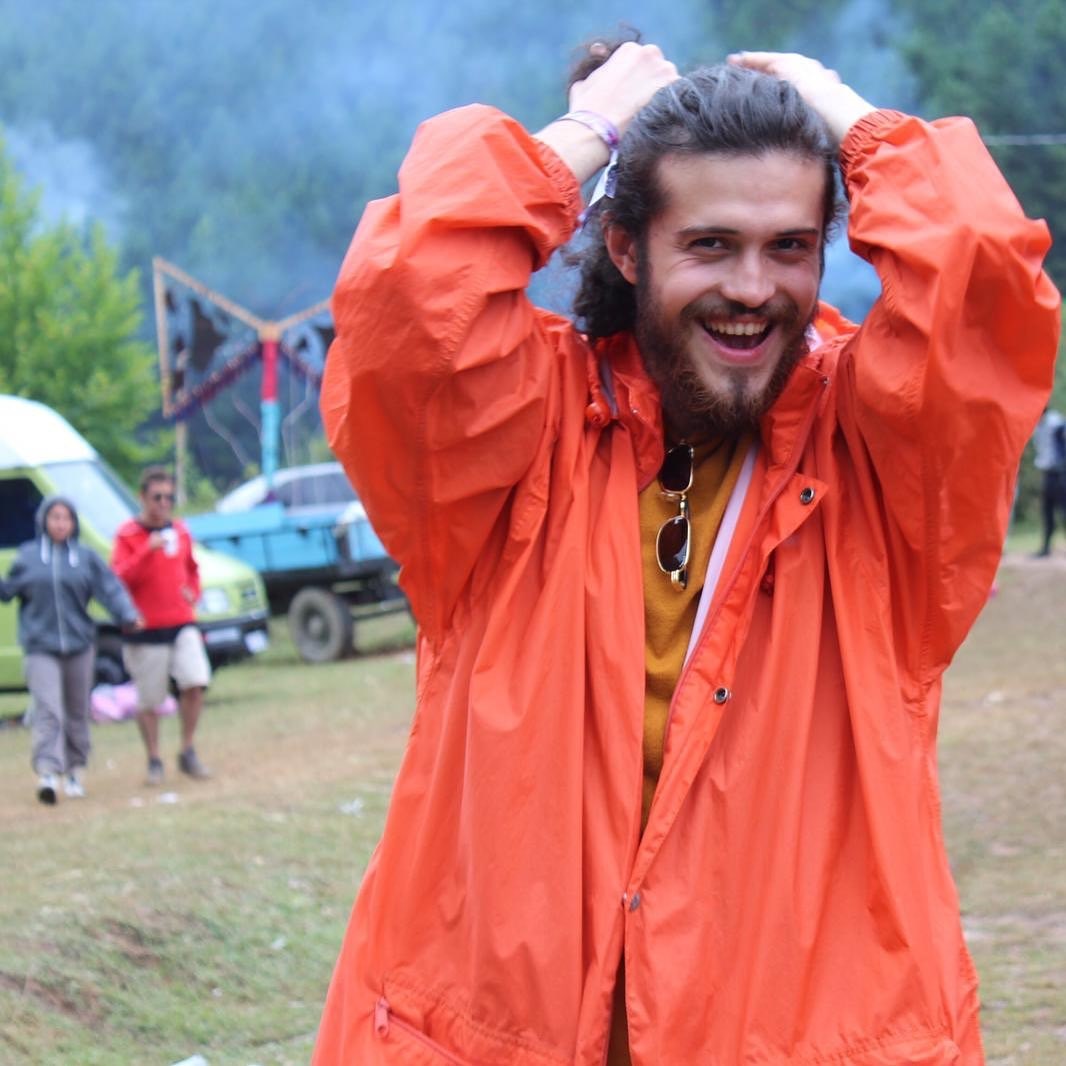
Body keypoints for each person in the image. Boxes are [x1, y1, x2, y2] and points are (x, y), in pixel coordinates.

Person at [313, 41, 1060, 1065]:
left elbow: (978, 268)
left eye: (789, 246)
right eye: (710, 244)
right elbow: (409, 290)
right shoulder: (512, 447)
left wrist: (839, 110)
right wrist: (588, 132)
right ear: (627, 248)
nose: (753, 288)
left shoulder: (887, 470)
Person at [0, 496, 140, 804]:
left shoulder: (85, 558)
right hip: (40, 647)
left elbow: (110, 589)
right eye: (55, 518)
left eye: (66, 518)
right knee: (48, 709)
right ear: (44, 521)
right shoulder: (28, 557)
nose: (60, 524)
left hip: (79, 645)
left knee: (77, 710)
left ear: (74, 523)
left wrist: (127, 615)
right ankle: (48, 773)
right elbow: (7, 591)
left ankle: (75, 771)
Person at [112, 466, 212, 785]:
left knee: (195, 680)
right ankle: (154, 758)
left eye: (169, 497)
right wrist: (147, 550)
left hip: (182, 621)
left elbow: (192, 569)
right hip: (145, 629)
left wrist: (193, 592)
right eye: (157, 497)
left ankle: (187, 749)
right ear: (142, 497)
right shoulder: (128, 535)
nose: (164, 504)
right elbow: (119, 579)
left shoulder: (180, 531)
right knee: (150, 701)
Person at [1032, 406, 1066, 556]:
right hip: (1048, 473)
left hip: (1060, 473)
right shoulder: (1038, 425)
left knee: (1064, 510)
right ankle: (1046, 547)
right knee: (1047, 511)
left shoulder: (1055, 422)